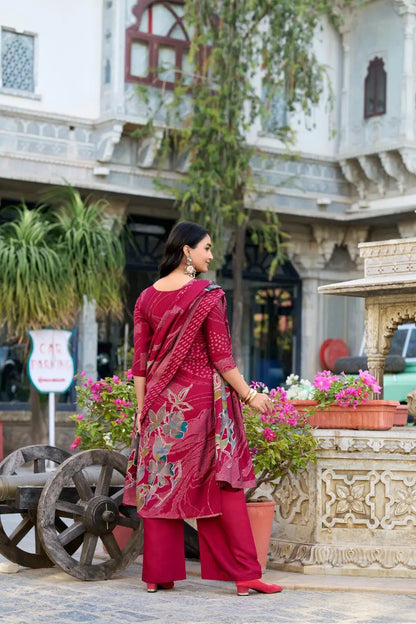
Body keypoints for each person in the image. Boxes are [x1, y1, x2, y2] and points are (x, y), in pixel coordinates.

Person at [123, 221, 282, 596]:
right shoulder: (207, 296)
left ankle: (156, 575)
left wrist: (141, 409)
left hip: (161, 407)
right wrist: (249, 396)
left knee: (161, 485)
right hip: (202, 406)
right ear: (187, 252)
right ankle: (245, 575)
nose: (211, 255)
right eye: (206, 248)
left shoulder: (145, 297)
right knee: (221, 485)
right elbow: (223, 358)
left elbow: (140, 364)